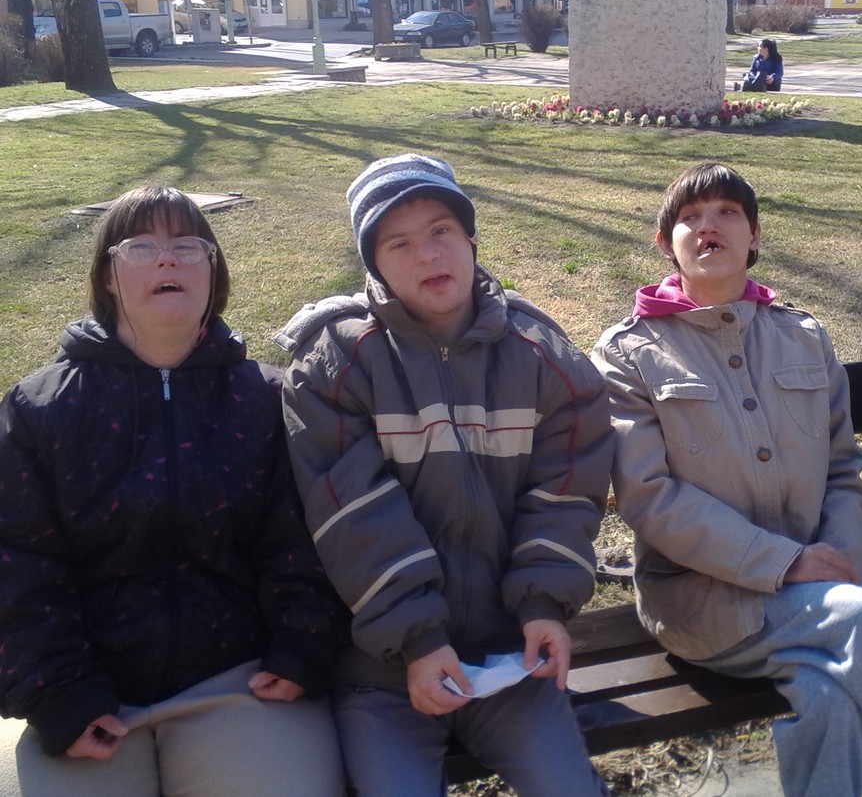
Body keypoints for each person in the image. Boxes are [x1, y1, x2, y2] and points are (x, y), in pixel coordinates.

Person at [591, 162, 862, 797]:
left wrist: (837, 564)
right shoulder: (628, 354)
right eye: (690, 218)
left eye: (727, 213)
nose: (709, 227)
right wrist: (787, 564)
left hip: (821, 602)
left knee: (832, 698)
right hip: (702, 606)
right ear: (665, 243)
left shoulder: (803, 337)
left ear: (754, 235)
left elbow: (843, 471)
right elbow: (650, 500)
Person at [273, 154, 613, 797]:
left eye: (441, 231)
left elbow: (567, 491)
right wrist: (419, 639)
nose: (428, 254)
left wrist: (543, 603)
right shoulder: (337, 362)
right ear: (374, 265)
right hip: (383, 672)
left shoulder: (541, 353)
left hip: (511, 658)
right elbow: (354, 516)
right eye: (398, 243)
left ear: (470, 240)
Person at [0, 186, 347, 797]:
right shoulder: (39, 411)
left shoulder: (267, 400)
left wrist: (301, 648)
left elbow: (302, 540)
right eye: (142, 246)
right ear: (107, 276)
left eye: (189, 246)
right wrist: (58, 692)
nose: (168, 258)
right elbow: (18, 564)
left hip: (243, 683)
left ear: (214, 273)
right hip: (89, 696)